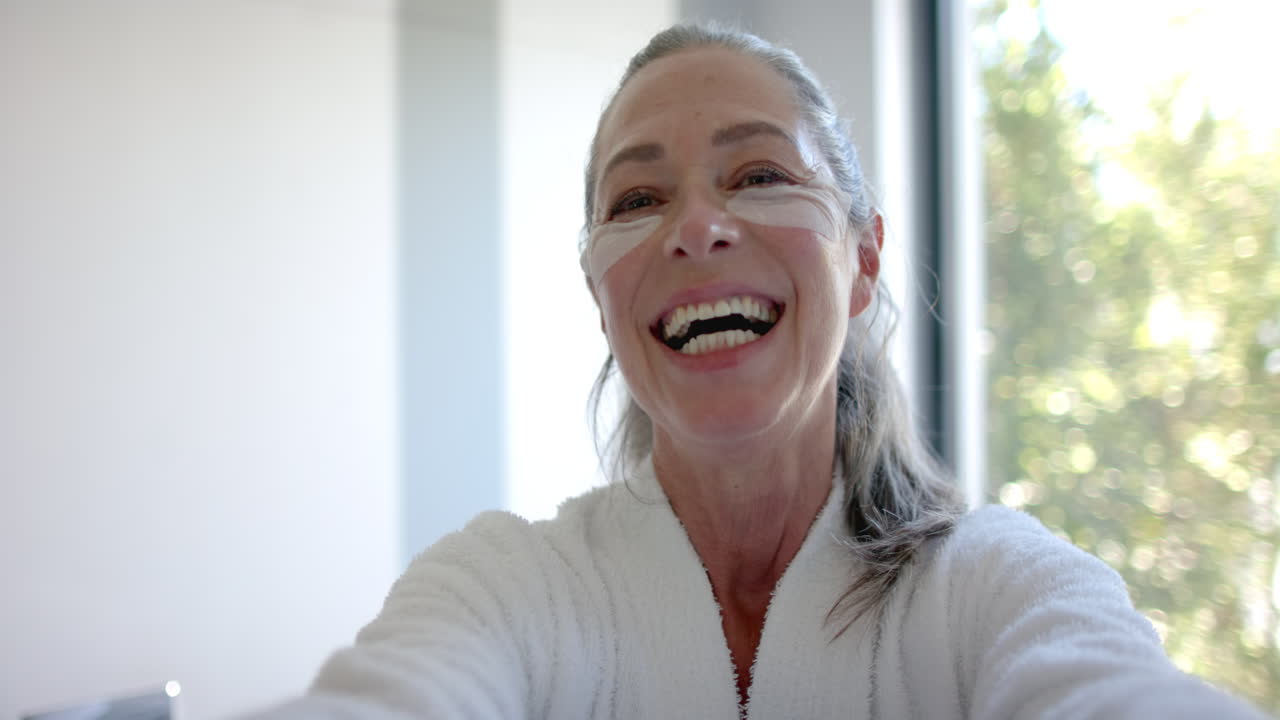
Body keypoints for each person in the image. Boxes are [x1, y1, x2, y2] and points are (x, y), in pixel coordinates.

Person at [244, 23, 1270, 719]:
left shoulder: (994, 591)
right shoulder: (507, 589)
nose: (695, 226)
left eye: (759, 174)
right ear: (601, 295)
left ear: (862, 258)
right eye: (637, 199)